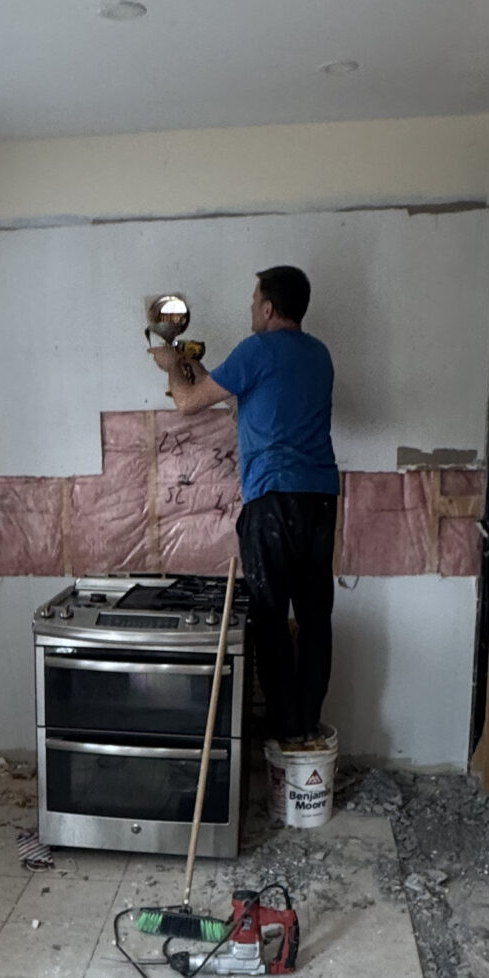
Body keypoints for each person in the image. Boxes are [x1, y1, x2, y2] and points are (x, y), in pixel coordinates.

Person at [153, 265, 339, 747]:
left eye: (254, 300)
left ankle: (283, 732)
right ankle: (308, 727)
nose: (250, 308)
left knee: (271, 619)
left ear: (268, 308)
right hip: (320, 499)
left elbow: (189, 403)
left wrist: (172, 368)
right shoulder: (319, 355)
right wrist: (197, 371)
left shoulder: (256, 349)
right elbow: (242, 403)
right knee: (316, 619)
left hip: (273, 501)